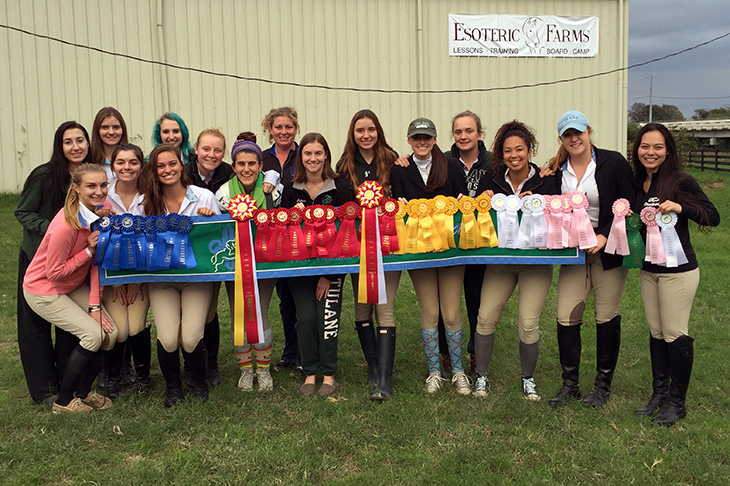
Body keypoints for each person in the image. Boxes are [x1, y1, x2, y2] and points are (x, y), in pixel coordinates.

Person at [631, 123, 719, 425]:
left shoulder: (681, 180)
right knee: (656, 332)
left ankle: (677, 402)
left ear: (667, 150)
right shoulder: (637, 182)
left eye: (657, 147)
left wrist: (681, 207)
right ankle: (660, 394)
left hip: (678, 272)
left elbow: (713, 215)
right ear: (637, 149)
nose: (650, 152)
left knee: (674, 333)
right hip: (649, 270)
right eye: (645, 146)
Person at [546, 110, 633, 408]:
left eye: (578, 132)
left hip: (608, 248)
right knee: (566, 316)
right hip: (573, 251)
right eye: (567, 134)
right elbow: (544, 203)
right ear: (561, 139)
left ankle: (602, 385)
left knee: (605, 316)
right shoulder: (557, 169)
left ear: (589, 131)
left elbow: (627, 201)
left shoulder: (613, 162)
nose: (574, 138)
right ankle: (570, 383)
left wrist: (606, 234)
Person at [23, 163, 118, 413]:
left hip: (72, 284)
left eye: (103, 185)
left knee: (112, 334)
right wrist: (88, 250)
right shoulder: (66, 225)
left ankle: (84, 392)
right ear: (76, 188)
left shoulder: (98, 217)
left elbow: (96, 265)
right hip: (43, 290)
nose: (99, 191)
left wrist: (96, 305)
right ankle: (63, 401)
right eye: (91, 186)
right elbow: (53, 273)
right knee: (94, 335)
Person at [473, 120, 559, 400]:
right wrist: (482, 200)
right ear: (501, 153)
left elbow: (561, 215)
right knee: (485, 318)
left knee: (528, 322)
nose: (514, 155)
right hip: (500, 263)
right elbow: (476, 218)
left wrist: (543, 202)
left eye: (519, 149)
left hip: (535, 263)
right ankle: (482, 377)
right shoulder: (492, 178)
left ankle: (528, 379)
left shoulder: (547, 179)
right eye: (508, 151)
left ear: (529, 150)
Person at [389, 117, 471, 395]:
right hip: (418, 251)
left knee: (450, 312)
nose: (422, 142)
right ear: (409, 141)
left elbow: (464, 204)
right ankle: (435, 371)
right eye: (416, 138)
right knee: (430, 312)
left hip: (449, 252)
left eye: (427, 137)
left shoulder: (451, 166)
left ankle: (458, 370)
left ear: (435, 139)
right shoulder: (399, 170)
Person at [15, 121, 91, 405]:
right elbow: (23, 211)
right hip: (39, 256)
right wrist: (52, 229)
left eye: (80, 140)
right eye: (69, 142)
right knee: (34, 325)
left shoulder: (89, 175)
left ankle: (67, 379)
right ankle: (43, 388)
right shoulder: (45, 175)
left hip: (73, 262)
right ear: (60, 146)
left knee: (68, 322)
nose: (76, 147)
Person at [141, 143, 221, 407]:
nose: (167, 170)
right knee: (167, 337)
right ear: (153, 170)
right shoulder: (145, 203)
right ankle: (173, 388)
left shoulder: (204, 197)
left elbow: (220, 240)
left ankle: (199, 383)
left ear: (181, 164)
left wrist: (209, 220)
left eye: (172, 164)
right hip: (161, 281)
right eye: (160, 166)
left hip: (195, 280)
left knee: (189, 337)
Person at [280, 132, 352, 396]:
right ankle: (310, 372)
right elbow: (282, 230)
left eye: (318, 153)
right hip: (298, 269)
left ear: (326, 156)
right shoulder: (290, 189)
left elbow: (348, 235)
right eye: (307, 153)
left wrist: (330, 275)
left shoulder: (340, 188)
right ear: (301, 157)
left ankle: (329, 374)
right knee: (306, 319)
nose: (313, 158)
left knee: (327, 319)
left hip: (331, 269)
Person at [336, 109, 400, 400]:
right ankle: (373, 367)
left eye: (370, 129)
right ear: (353, 133)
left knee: (384, 307)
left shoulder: (393, 159)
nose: (366, 135)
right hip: (356, 246)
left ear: (378, 131)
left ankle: (385, 380)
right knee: (362, 308)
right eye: (360, 130)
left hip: (386, 245)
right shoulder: (343, 164)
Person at [215, 133, 277, 392]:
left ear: (261, 166)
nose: (247, 169)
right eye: (241, 164)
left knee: (260, 313)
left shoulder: (276, 191)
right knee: (239, 315)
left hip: (265, 261)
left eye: (252, 163)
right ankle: (244, 371)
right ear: (234, 167)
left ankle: (263, 370)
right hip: (234, 264)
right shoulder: (223, 195)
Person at [184, 128, 234, 386]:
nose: (211, 155)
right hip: (187, 254)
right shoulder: (183, 173)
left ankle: (211, 363)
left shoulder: (230, 173)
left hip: (218, 250)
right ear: (196, 149)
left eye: (217, 150)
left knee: (210, 310)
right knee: (191, 312)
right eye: (206, 149)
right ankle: (190, 364)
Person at [101, 144, 151, 397]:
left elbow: (158, 240)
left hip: (144, 276)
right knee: (118, 330)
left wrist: (137, 281)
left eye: (133, 162)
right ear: (112, 166)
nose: (127, 168)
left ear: (141, 166)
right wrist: (120, 281)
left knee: (135, 327)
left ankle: (143, 377)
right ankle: (113, 376)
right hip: (112, 278)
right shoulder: (103, 196)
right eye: (121, 162)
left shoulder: (151, 196)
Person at [260, 107, 302, 374]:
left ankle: (303, 354)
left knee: (299, 298)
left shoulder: (306, 153)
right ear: (269, 130)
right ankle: (289, 353)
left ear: (296, 128)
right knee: (284, 299)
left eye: (288, 127)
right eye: (278, 127)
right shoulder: (261, 158)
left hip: (299, 237)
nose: (284, 132)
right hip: (268, 239)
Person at [90, 107, 129, 181]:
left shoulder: (133, 159)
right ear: (97, 130)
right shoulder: (89, 160)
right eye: (105, 127)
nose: (111, 132)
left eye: (116, 127)